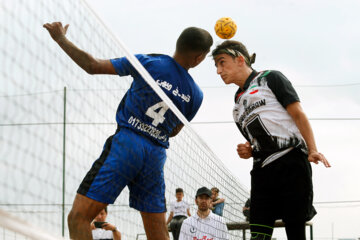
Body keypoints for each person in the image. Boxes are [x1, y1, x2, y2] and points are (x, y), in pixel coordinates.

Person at [43, 22, 213, 240]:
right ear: (199, 58)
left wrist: (60, 39)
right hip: (155, 155)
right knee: (158, 232)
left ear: (178, 44)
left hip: (127, 145)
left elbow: (92, 66)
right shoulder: (196, 95)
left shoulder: (148, 62)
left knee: (78, 218)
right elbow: (174, 131)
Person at [211, 40, 331, 240]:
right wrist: (248, 150)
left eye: (222, 62)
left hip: (291, 163)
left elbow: (298, 114)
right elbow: (255, 141)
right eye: (216, 65)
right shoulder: (237, 103)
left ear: (240, 59)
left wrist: (312, 149)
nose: (218, 70)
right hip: (262, 173)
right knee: (258, 235)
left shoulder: (270, 78)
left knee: (296, 232)